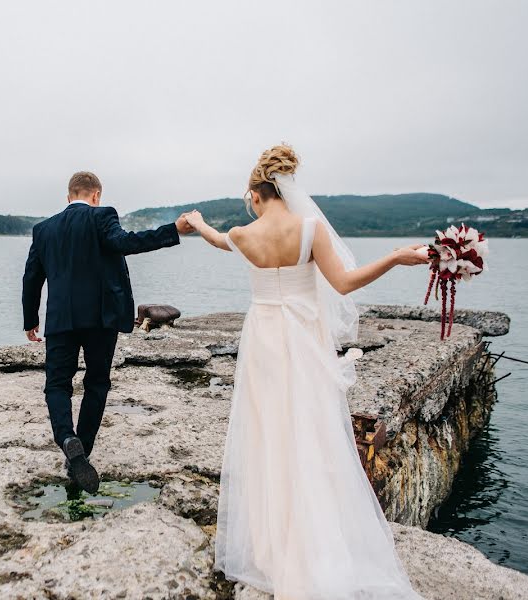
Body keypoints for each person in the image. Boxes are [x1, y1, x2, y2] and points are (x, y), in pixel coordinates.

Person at [184, 144, 427, 599]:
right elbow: (345, 284)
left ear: (256, 195)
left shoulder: (243, 234)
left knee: (268, 434)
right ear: (284, 190)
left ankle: (272, 546)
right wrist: (395, 257)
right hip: (302, 338)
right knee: (310, 434)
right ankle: (313, 538)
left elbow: (218, 240)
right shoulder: (311, 228)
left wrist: (195, 223)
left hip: (262, 339)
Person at [22, 171, 194, 493]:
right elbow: (126, 243)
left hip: (61, 320)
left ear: (68, 196)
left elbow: (32, 278)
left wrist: (30, 319)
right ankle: (82, 451)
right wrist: (174, 230)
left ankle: (67, 439)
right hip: (102, 319)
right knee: (97, 382)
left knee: (57, 384)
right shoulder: (103, 216)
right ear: (96, 195)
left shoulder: (43, 230)